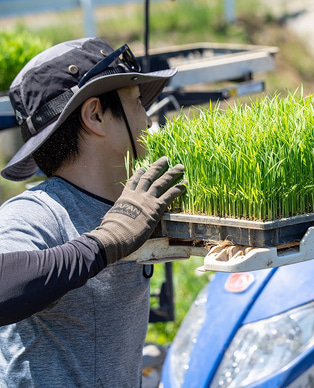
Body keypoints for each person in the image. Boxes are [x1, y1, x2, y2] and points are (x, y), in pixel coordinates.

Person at [0, 37, 185, 386]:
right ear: (96, 114)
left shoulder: (133, 206)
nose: (147, 121)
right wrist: (104, 243)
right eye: (135, 104)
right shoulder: (37, 214)